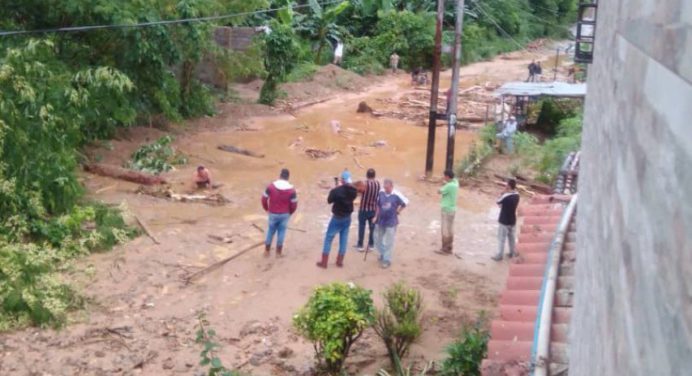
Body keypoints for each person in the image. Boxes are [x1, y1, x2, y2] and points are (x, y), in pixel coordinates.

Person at [317, 169, 358, 268]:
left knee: (328, 238)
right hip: (347, 217)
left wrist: (336, 188)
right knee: (343, 239)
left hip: (337, 217)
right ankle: (339, 261)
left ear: (342, 180)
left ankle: (324, 262)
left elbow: (329, 200)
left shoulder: (337, 191)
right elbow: (349, 193)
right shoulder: (354, 191)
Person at [261, 169, 298, 257]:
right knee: (281, 232)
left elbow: (263, 199)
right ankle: (278, 253)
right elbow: (294, 204)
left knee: (270, 231)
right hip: (285, 214)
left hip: (273, 213)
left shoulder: (271, 186)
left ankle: (266, 251)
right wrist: (290, 213)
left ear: (280, 175)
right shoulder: (292, 190)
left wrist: (267, 209)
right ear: (288, 177)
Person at [374, 179, 406, 269]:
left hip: (391, 222)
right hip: (381, 220)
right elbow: (378, 205)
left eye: (387, 188)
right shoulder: (381, 193)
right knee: (377, 238)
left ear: (391, 186)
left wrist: (398, 211)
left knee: (389, 241)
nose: (385, 189)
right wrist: (375, 216)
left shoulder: (396, 195)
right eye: (384, 187)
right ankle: (383, 253)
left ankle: (387, 260)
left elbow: (405, 203)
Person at [492, 179, 520, 261]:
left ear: (509, 186)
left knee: (501, 238)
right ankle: (512, 252)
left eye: (506, 185)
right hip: (513, 220)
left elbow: (498, 201)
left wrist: (502, 192)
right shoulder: (517, 195)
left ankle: (499, 255)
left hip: (504, 220)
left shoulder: (506, 196)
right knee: (512, 237)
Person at [356, 168, 380, 252]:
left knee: (362, 227)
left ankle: (360, 245)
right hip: (373, 209)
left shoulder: (364, 184)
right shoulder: (377, 184)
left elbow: (358, 193)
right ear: (374, 176)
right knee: (372, 228)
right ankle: (371, 245)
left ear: (367, 175)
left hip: (363, 209)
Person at [436, 169, 459, 255]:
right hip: (452, 210)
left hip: (446, 210)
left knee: (445, 230)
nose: (443, 177)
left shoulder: (449, 186)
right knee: (450, 229)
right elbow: (455, 179)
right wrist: (446, 183)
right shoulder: (456, 183)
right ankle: (449, 247)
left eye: (444, 176)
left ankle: (445, 249)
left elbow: (439, 191)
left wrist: (443, 185)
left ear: (447, 177)